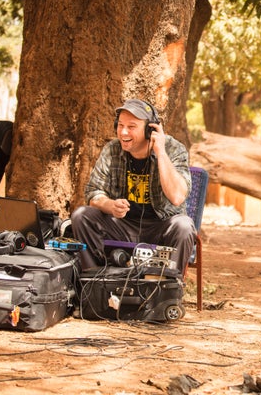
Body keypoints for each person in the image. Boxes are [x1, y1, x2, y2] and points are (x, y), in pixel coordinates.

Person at [70, 99, 195, 274]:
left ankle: (167, 293)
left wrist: (160, 153)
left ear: (149, 130)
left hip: (160, 227)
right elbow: (93, 193)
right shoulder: (112, 150)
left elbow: (176, 197)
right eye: (120, 125)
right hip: (122, 226)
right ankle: (94, 284)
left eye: (131, 126)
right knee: (81, 216)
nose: (123, 132)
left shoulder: (173, 149)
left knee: (184, 226)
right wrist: (110, 206)